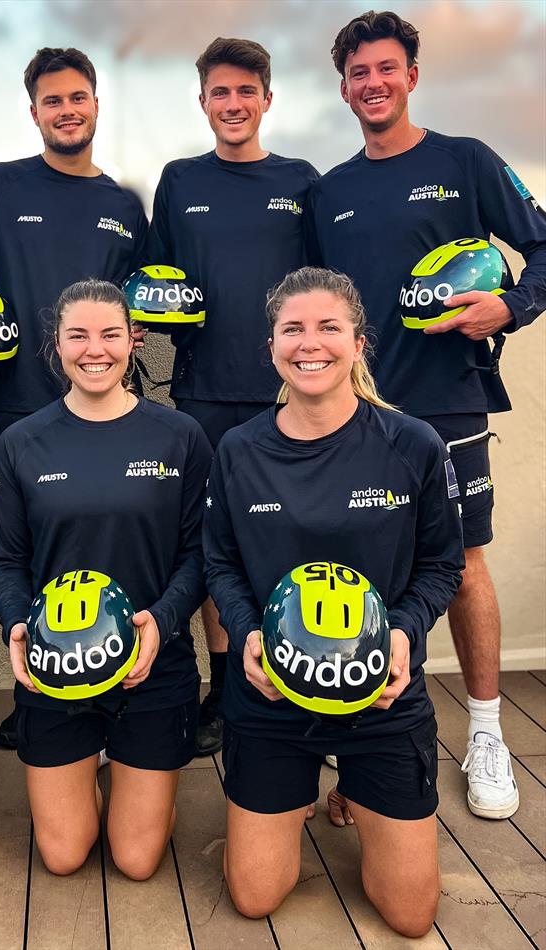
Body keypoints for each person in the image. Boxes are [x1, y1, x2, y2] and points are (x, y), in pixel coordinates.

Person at [305, 9, 546, 819]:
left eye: (385, 69)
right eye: (357, 73)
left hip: (448, 404)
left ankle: (486, 736)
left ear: (412, 75)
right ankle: (364, 756)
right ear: (343, 87)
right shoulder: (329, 192)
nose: (372, 83)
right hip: (356, 413)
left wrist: (510, 308)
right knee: (360, 580)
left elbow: (543, 248)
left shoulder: (465, 162)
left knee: (465, 568)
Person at [203, 267, 464, 935]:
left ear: (358, 343)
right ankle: (294, 789)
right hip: (269, 697)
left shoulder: (412, 445)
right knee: (255, 895)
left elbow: (441, 564)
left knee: (410, 915)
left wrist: (403, 633)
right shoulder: (237, 451)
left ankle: (354, 781)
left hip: (379, 694)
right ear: (272, 349)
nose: (308, 343)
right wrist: (245, 631)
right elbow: (222, 564)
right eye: (292, 329)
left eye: (328, 328)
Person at [0, 49, 148, 749]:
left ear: (96, 105)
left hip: (114, 410)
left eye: (78, 97)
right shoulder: (1, 185)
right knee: (28, 552)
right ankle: (35, 688)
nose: (66, 110)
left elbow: (154, 297)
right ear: (35, 111)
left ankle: (121, 688)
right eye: (52, 100)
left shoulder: (124, 206)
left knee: (114, 541)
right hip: (22, 408)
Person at [0, 279, 211, 879]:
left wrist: (162, 623)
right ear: (55, 345)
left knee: (137, 861)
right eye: (77, 335)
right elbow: (3, 559)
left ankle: (132, 770)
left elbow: (200, 554)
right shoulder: (20, 442)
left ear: (134, 339)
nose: (95, 349)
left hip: (152, 666)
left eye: (111, 333)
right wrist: (15, 625)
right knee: (63, 856)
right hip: (54, 670)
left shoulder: (180, 436)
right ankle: (94, 762)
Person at [147, 38, 319, 756]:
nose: (233, 104)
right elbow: (155, 285)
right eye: (220, 93)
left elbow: (326, 291)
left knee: (294, 536)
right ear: (204, 103)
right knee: (219, 548)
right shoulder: (180, 180)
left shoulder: (304, 181)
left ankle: (309, 672)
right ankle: (227, 688)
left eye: (246, 91)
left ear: (266, 100)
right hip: (205, 396)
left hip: (292, 397)